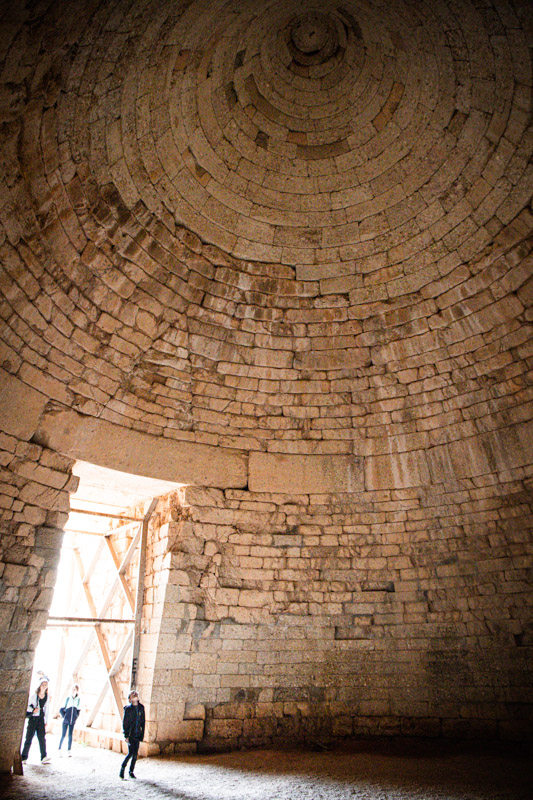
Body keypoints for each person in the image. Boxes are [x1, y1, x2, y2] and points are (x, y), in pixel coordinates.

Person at [21, 677, 51, 764]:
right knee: (29, 738)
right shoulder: (34, 696)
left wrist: (46, 720)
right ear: (40, 686)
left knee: (42, 738)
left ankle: (43, 756)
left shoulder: (47, 697)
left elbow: (47, 708)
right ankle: (24, 757)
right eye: (43, 684)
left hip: (41, 719)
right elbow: (28, 706)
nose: (44, 686)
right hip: (33, 718)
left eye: (46, 685)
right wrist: (33, 710)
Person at [119, 690, 145, 780]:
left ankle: (131, 771)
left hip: (137, 733)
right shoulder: (128, 709)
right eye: (132, 695)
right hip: (130, 734)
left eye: (135, 695)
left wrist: (142, 735)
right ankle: (122, 768)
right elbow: (125, 723)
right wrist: (126, 735)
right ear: (130, 699)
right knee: (131, 752)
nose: (134, 696)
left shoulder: (141, 708)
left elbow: (143, 722)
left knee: (135, 754)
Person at [58, 684, 81, 756]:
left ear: (77, 691)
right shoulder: (68, 698)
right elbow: (61, 709)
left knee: (70, 735)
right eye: (72, 689)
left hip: (72, 721)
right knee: (63, 735)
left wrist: (75, 717)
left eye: (74, 689)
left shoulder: (78, 700)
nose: (73, 691)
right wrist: (64, 716)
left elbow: (78, 710)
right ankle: (59, 749)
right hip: (66, 720)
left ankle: (69, 750)